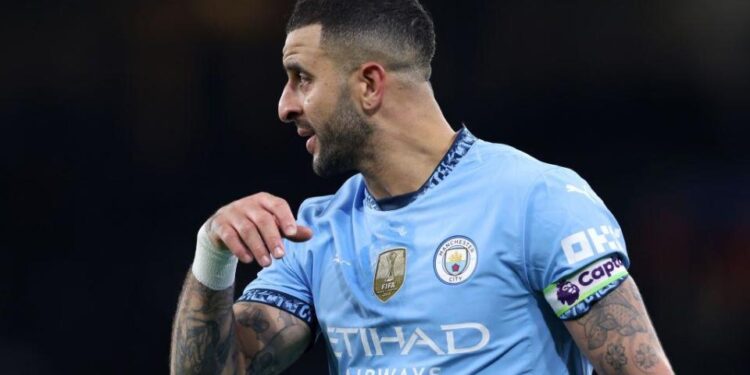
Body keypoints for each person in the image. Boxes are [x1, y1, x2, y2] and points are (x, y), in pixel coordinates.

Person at [170, 1, 674, 374]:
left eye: (301, 78)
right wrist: (213, 254)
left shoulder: (535, 200)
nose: (284, 105)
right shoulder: (313, 233)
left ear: (369, 84)